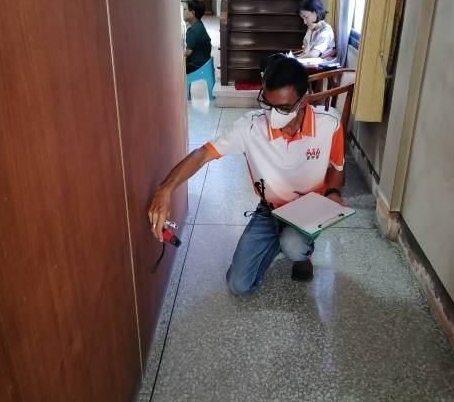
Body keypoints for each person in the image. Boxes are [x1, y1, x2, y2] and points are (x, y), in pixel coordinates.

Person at [147, 55, 347, 296]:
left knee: (294, 245)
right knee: (238, 284)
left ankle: (301, 254)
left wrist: (333, 193)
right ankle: (278, 240)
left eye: (284, 108)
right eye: (268, 104)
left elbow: (336, 168)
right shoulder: (250, 127)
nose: (273, 116)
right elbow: (202, 154)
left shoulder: (329, 124)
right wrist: (165, 189)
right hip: (270, 210)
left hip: (308, 209)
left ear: (304, 100)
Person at [184, 0, 212, 74]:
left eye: (185, 9)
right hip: (204, 63)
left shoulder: (193, 30)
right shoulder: (199, 25)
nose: (183, 12)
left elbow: (187, 52)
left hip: (196, 66)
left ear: (192, 13)